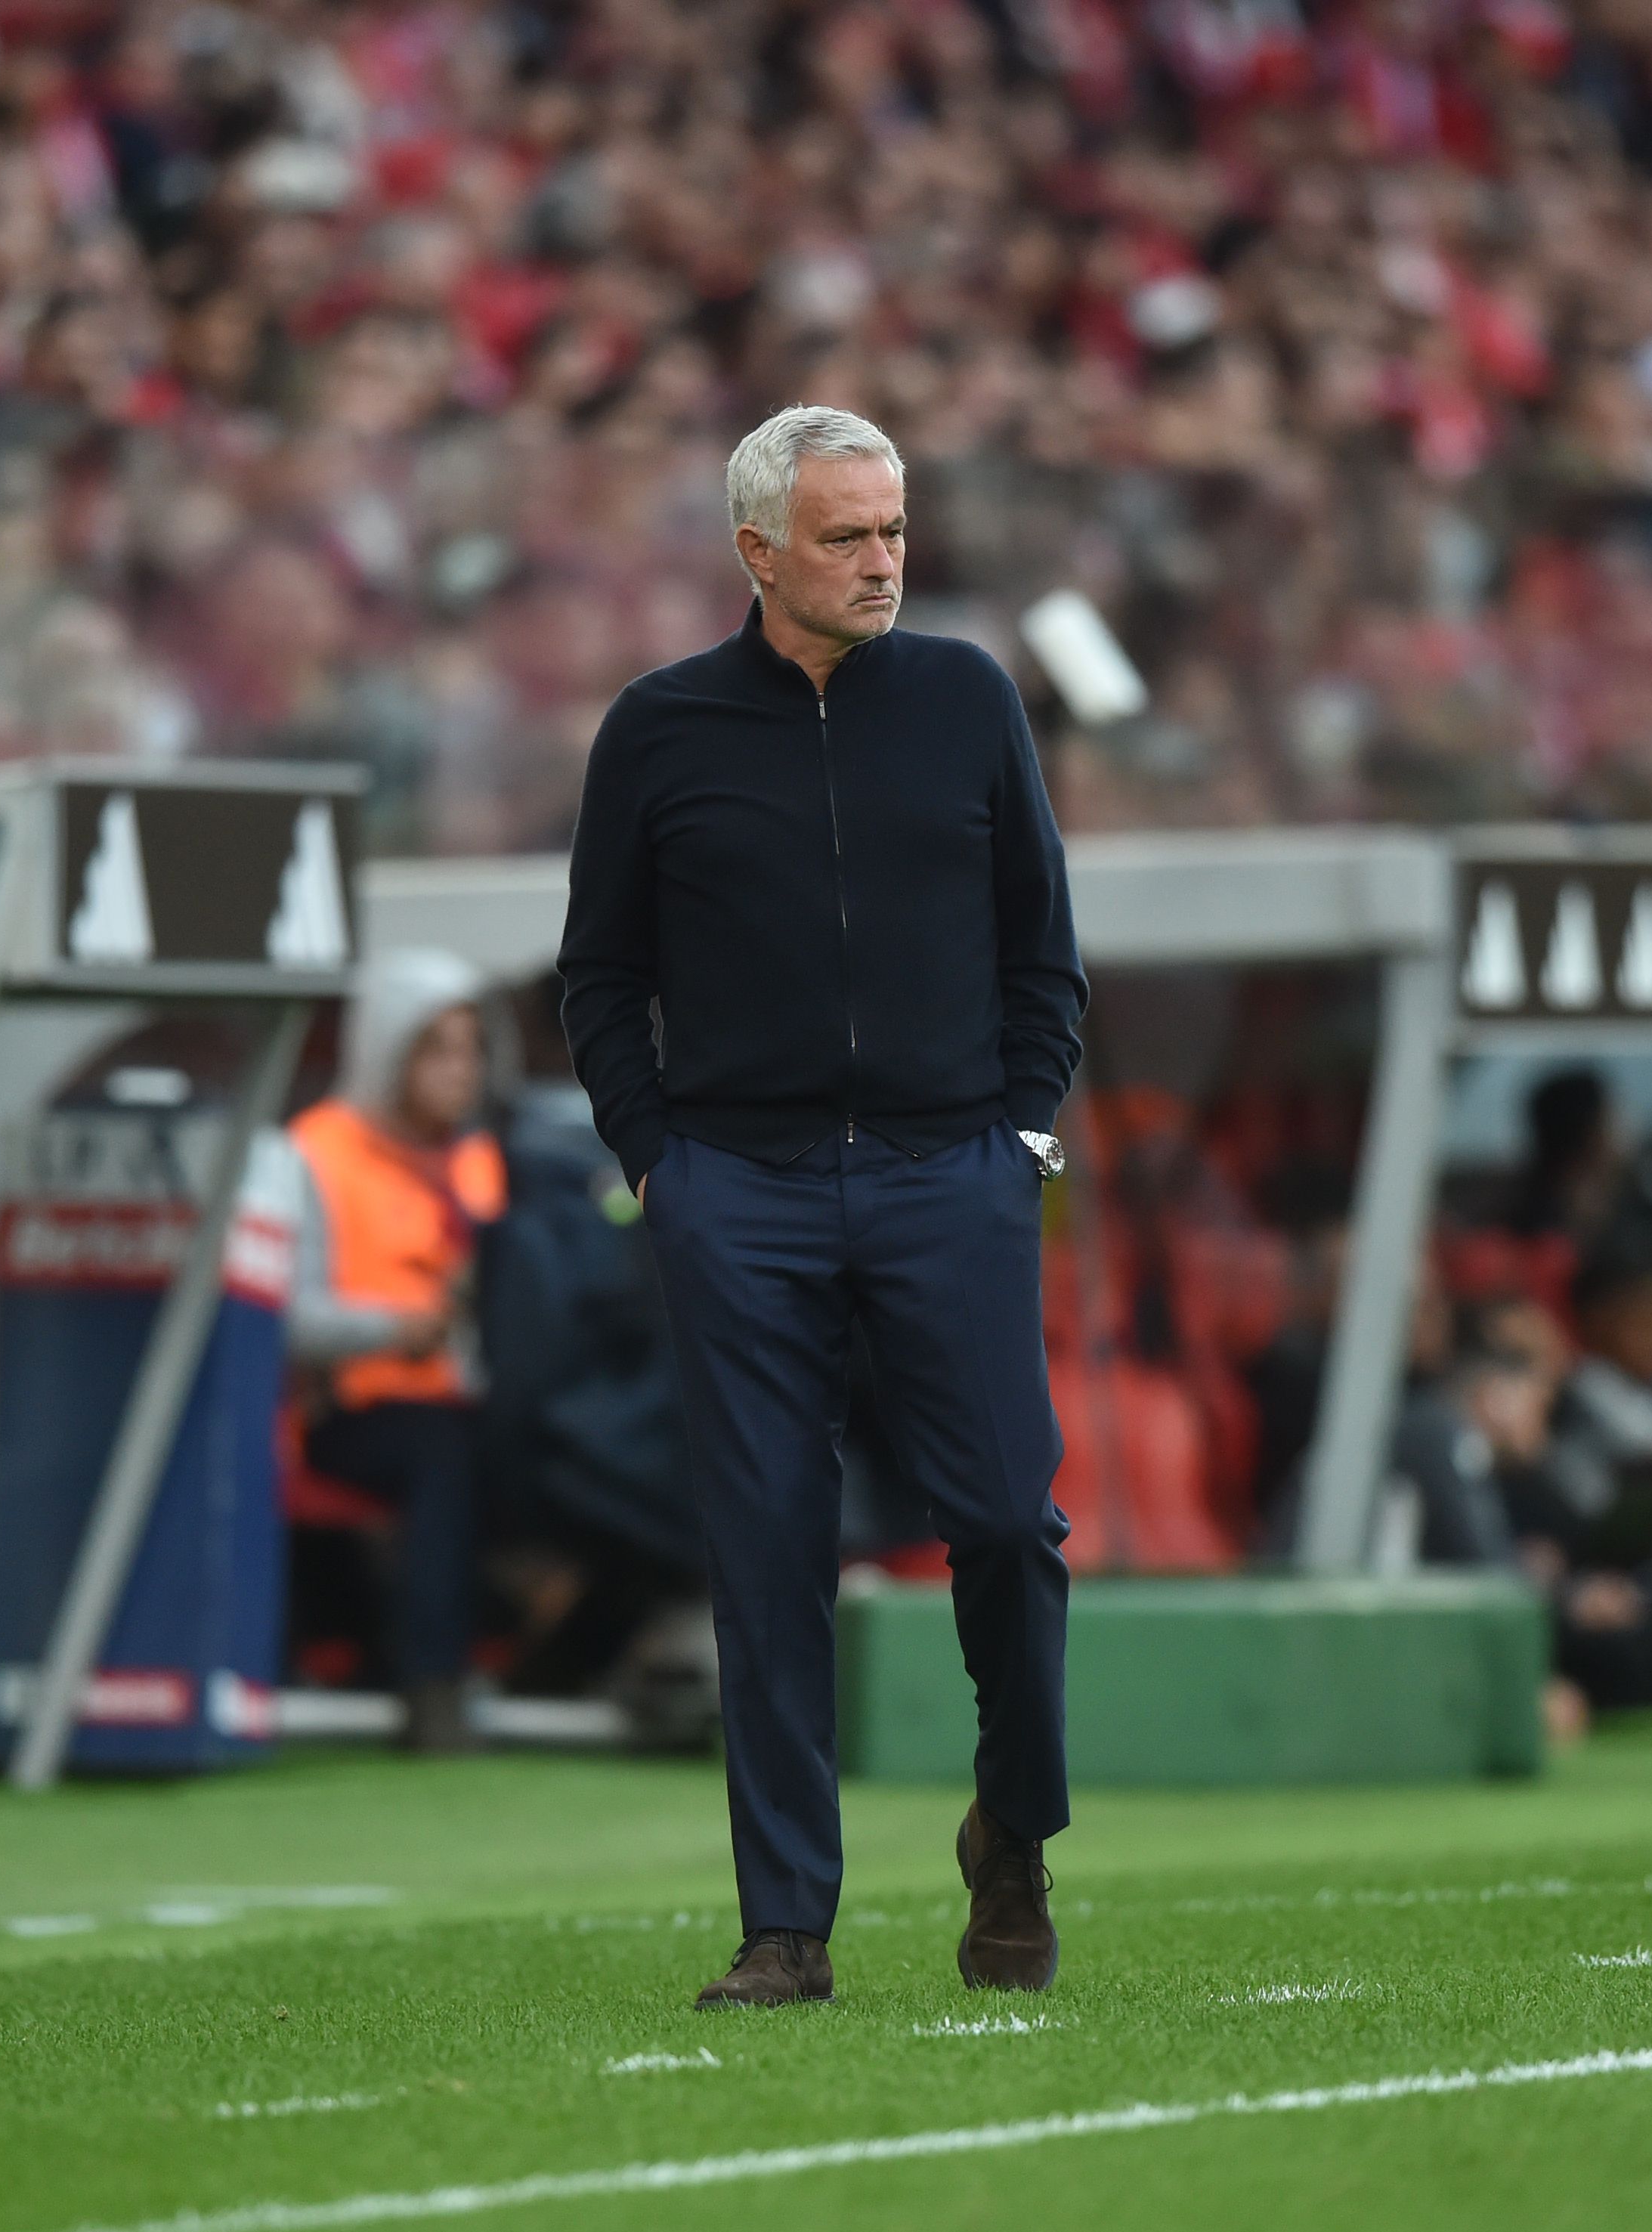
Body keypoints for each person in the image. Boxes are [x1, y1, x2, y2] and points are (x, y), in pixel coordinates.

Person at [558, 404, 1087, 2011]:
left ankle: (1014, 1830)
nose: (881, 561)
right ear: (757, 552)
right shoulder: (657, 729)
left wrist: (1020, 1131)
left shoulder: (967, 697)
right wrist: (661, 1164)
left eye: (894, 530)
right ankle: (785, 1925)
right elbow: (599, 975)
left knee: (1007, 1522)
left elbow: (1042, 946)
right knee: (767, 1550)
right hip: (739, 1191)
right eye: (846, 536)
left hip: (950, 1173)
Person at [284, 949, 505, 1754]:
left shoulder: (482, 1162)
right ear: (386, 1049)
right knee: (441, 1453)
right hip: (348, 1407)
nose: (460, 1070)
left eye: (471, 1049)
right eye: (436, 1049)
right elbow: (286, 1314)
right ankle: (432, 1684)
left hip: (475, 1398)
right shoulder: (314, 1152)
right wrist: (397, 1328)